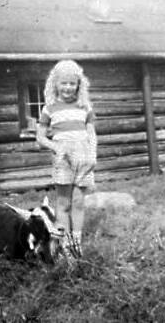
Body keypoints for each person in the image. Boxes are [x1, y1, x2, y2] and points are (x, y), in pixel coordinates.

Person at [36, 60, 97, 264]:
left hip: (83, 157)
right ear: (56, 84)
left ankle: (77, 243)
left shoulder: (84, 107)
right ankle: (65, 246)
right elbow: (41, 137)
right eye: (64, 83)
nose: (68, 88)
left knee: (78, 202)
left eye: (72, 84)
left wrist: (93, 156)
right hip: (63, 158)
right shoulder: (50, 109)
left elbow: (91, 134)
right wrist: (56, 147)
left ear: (79, 86)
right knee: (63, 202)